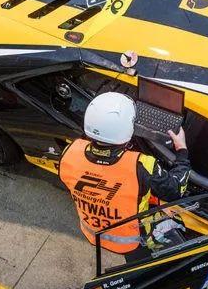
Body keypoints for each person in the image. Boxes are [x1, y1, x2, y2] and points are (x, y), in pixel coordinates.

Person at [58, 92, 191, 259]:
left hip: (92, 233)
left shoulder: (69, 153)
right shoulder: (142, 165)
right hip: (131, 242)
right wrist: (182, 150)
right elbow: (176, 189)